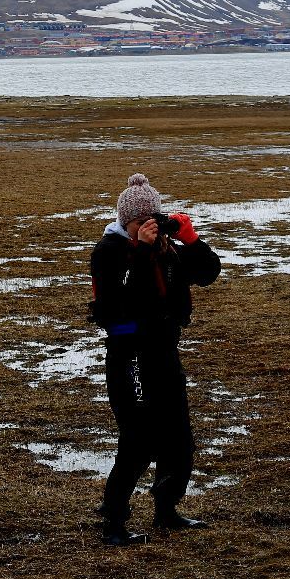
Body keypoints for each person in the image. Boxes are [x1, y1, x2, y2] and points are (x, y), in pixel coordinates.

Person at [88, 174, 222, 546]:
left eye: (153, 220)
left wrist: (190, 238)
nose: (147, 227)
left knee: (178, 436)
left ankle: (166, 509)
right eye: (138, 222)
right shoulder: (109, 250)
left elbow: (207, 274)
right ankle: (114, 520)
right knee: (138, 437)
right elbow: (115, 306)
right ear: (124, 221)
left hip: (164, 349)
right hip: (128, 353)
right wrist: (143, 251)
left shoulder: (168, 247)